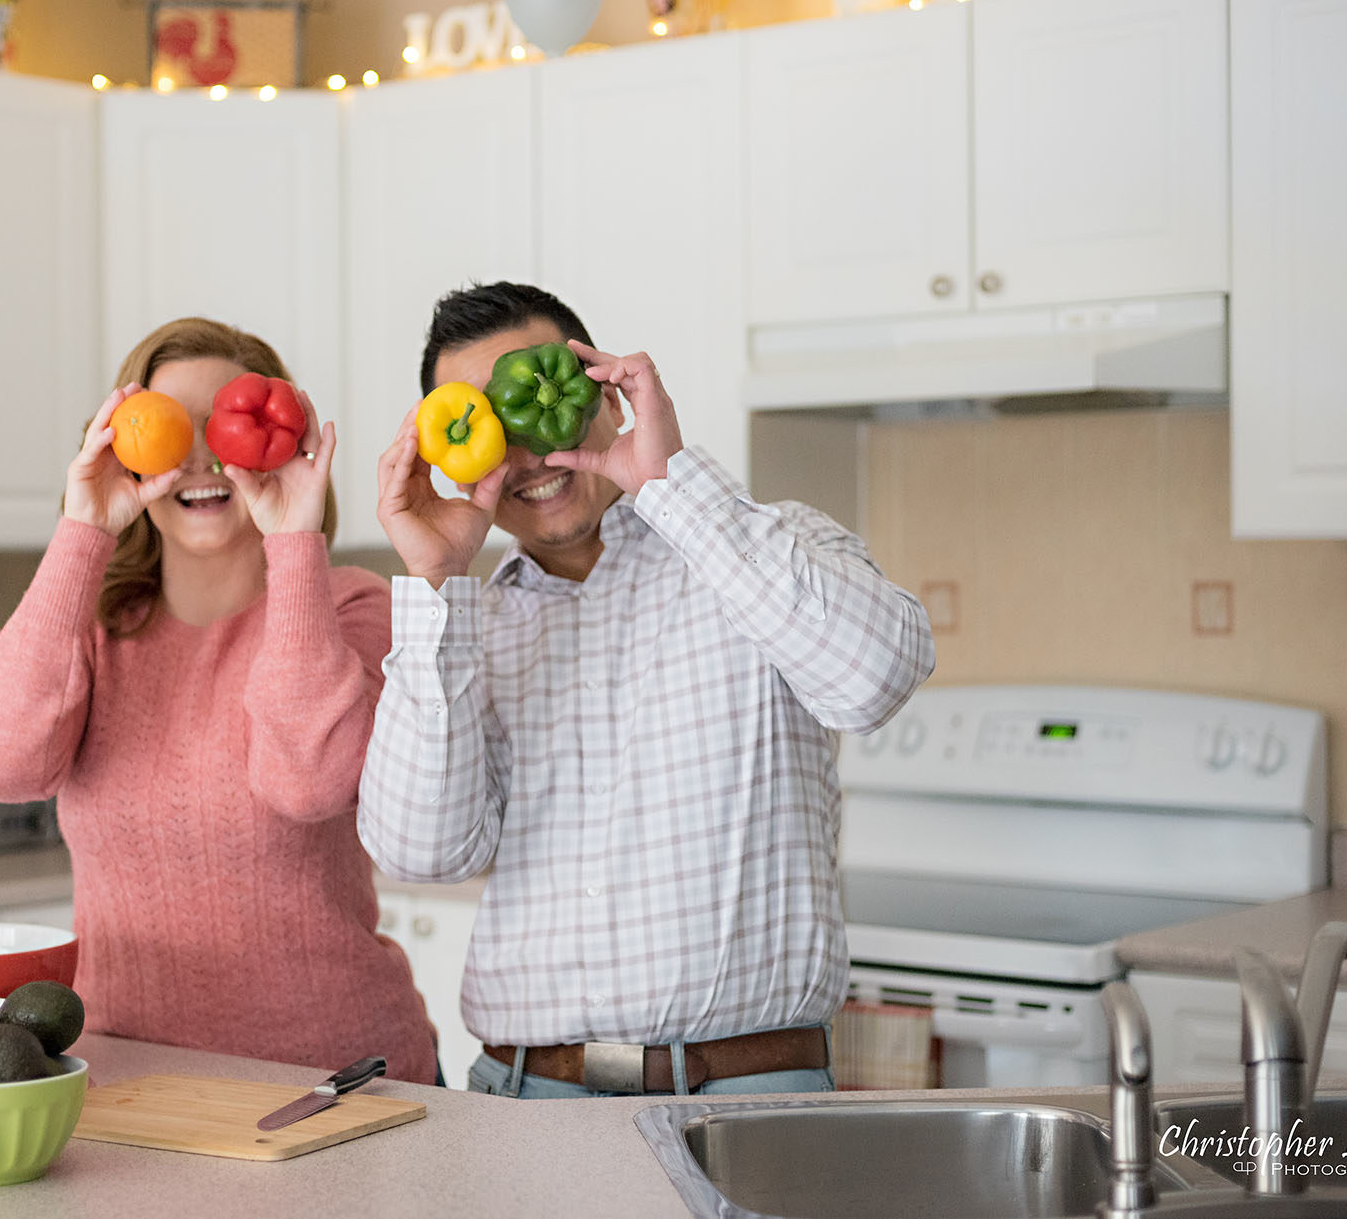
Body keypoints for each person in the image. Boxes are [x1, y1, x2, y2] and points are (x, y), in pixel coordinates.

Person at [358, 282, 935, 1099]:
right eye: (490, 427)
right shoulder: (467, 624)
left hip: (742, 1096)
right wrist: (435, 585)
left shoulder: (763, 549)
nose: (527, 455)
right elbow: (421, 851)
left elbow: (872, 679)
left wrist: (668, 479)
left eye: (539, 406)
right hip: (522, 1096)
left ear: (604, 392)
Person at [0, 317, 438, 1084]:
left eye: (232, 425)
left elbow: (307, 784)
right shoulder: (97, 632)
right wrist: (84, 530)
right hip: (132, 1086)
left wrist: (294, 541)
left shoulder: (349, 609)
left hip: (337, 1086)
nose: (206, 457)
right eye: (176, 429)